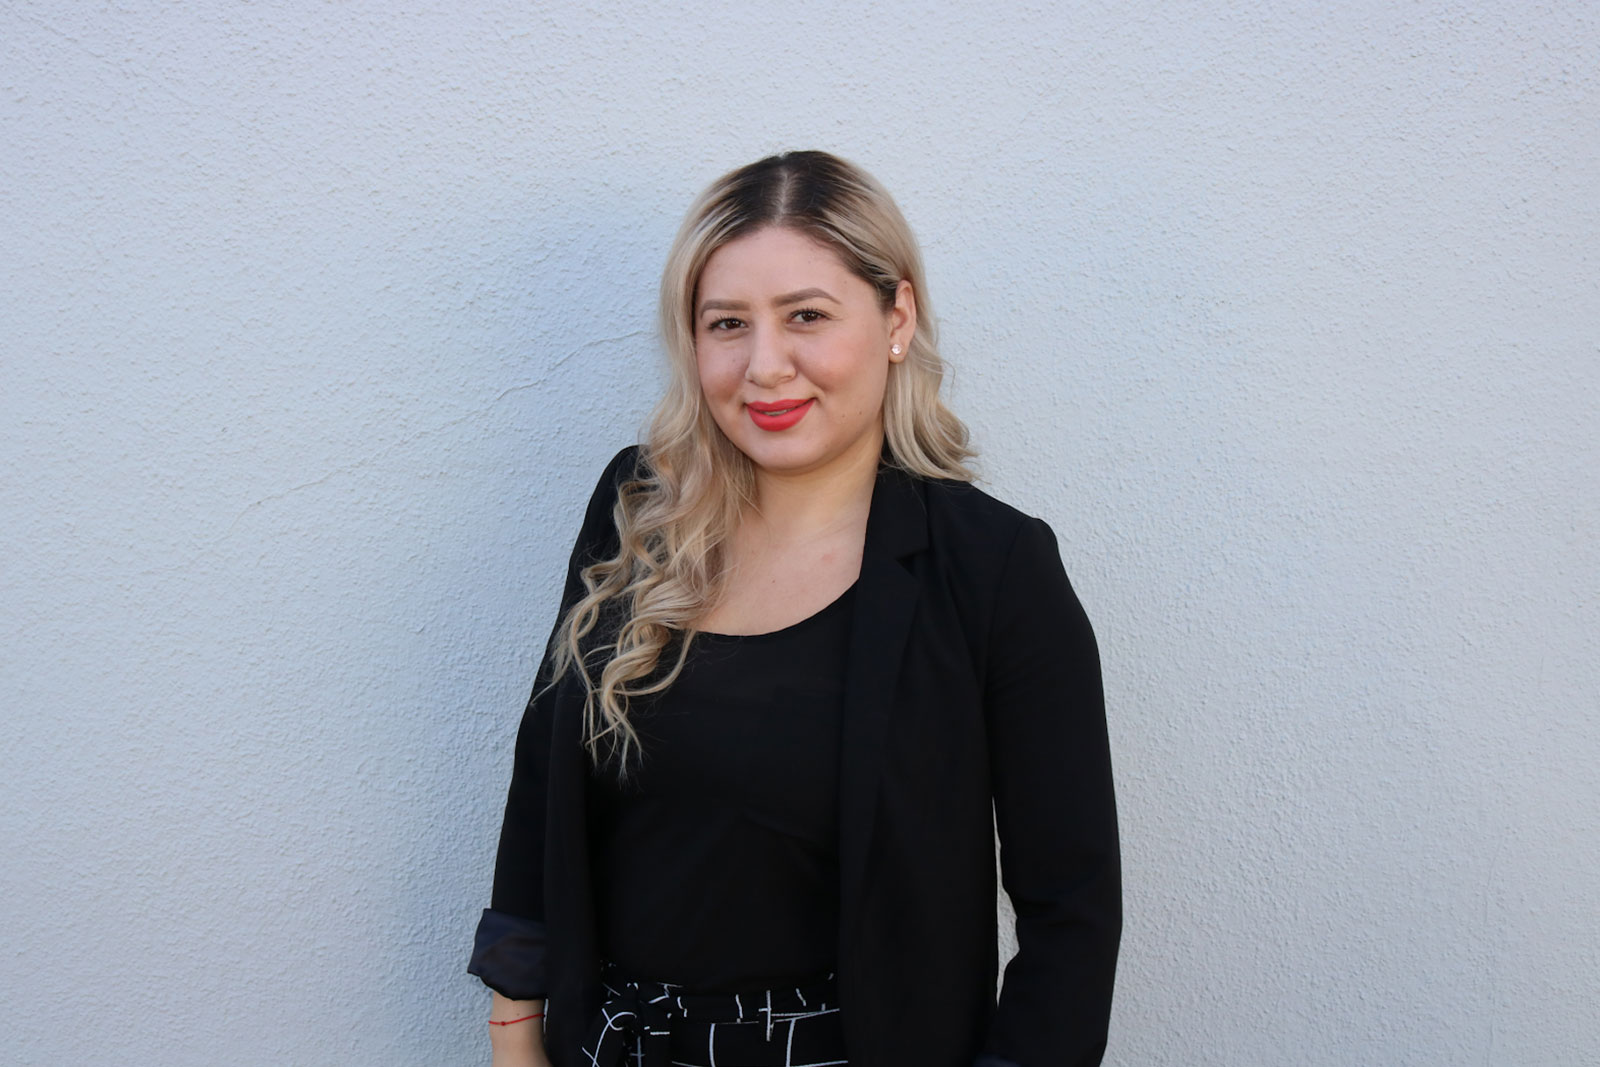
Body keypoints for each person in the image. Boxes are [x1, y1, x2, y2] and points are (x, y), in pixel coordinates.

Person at [468, 150, 1121, 1067]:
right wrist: (514, 1033)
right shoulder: (636, 509)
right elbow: (543, 780)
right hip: (614, 1046)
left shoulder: (993, 569)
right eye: (726, 323)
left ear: (897, 317)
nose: (764, 366)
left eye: (807, 316)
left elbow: (1072, 910)